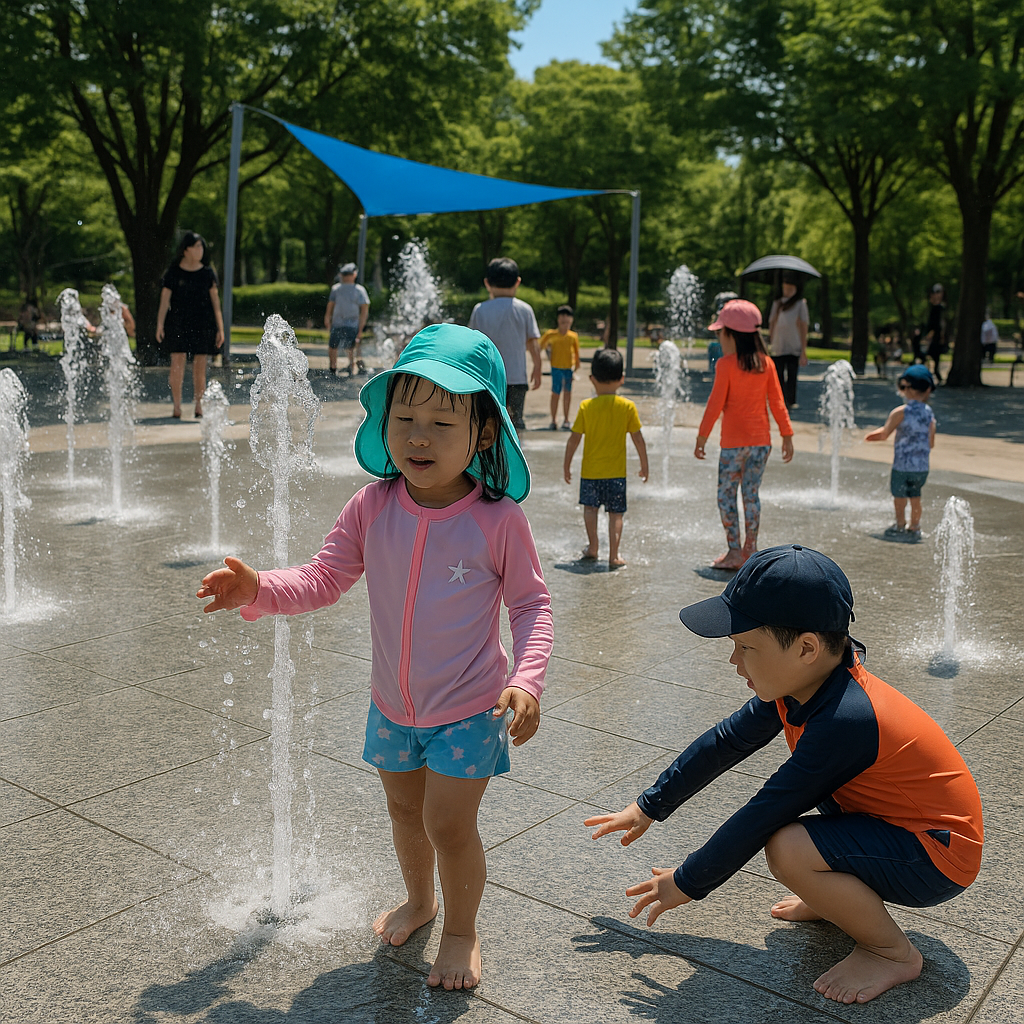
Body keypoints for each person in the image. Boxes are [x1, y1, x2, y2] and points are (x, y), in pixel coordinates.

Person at [197, 323, 552, 991]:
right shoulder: (372, 505)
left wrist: (527, 680)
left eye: (443, 423)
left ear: (481, 433)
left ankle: (461, 931)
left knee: (449, 823)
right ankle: (421, 902)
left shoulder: (498, 520)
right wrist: (260, 588)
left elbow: (534, 607)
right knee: (404, 812)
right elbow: (323, 577)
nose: (419, 436)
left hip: (471, 706)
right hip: (392, 703)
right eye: (406, 418)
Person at [586, 544, 983, 1006]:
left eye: (746, 646)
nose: (734, 661)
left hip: (937, 856)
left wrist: (688, 881)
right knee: (798, 838)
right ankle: (838, 899)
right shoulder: (805, 684)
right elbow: (725, 742)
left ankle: (891, 952)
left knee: (787, 847)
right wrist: (649, 804)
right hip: (893, 830)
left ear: (807, 648)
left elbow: (765, 811)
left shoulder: (847, 720)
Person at [694, 299, 794, 571]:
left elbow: (715, 404)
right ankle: (751, 550)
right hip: (761, 444)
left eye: (719, 332)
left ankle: (734, 552)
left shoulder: (726, 365)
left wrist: (702, 437)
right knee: (751, 495)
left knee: (726, 497)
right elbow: (777, 402)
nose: (718, 337)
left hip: (734, 446)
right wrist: (787, 434)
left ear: (731, 334)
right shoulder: (767, 364)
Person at [563, 348, 649, 568]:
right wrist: (644, 465)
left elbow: (573, 439)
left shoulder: (586, 406)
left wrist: (567, 465)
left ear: (592, 379)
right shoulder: (627, 407)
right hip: (616, 474)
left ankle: (593, 547)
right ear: (622, 379)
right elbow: (638, 439)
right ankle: (614, 555)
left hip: (590, 473)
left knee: (590, 510)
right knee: (616, 514)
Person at [156, 232, 225, 419]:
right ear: (186, 249)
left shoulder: (208, 273)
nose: (200, 250)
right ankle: (177, 406)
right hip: (177, 322)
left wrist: (221, 328)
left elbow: (216, 303)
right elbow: (164, 301)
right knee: (177, 363)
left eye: (202, 246)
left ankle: (199, 405)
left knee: (200, 366)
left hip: (203, 323)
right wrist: (160, 324)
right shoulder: (173, 273)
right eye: (196, 246)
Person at [864, 363, 936, 542]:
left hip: (902, 465)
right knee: (916, 497)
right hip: (921, 467)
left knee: (900, 497)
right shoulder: (929, 413)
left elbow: (884, 434)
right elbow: (931, 441)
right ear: (927, 390)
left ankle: (900, 523)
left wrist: (869, 436)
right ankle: (915, 526)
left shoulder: (900, 412)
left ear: (906, 388)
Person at [468, 257, 541, 430]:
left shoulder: (480, 310)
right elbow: (533, 343)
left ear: (487, 283)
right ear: (517, 282)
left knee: (486, 424)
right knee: (515, 424)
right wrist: (537, 367)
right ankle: (516, 454)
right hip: (516, 379)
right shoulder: (524, 309)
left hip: (487, 379)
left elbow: (472, 345)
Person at [768, 273, 809, 407]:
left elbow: (804, 326)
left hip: (794, 344)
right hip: (778, 344)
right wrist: (771, 339)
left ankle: (790, 400)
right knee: (777, 375)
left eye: (790, 289)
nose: (787, 292)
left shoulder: (800, 304)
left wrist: (803, 350)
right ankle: (779, 399)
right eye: (785, 288)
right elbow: (772, 322)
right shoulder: (778, 303)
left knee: (792, 375)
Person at [324, 262, 370, 377]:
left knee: (347, 346)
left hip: (349, 323)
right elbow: (331, 304)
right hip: (340, 323)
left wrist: (361, 326)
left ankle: (349, 365)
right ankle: (335, 367)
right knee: (337, 346)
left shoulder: (358, 290)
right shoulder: (337, 289)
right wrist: (327, 317)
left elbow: (364, 309)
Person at [540, 304, 581, 430]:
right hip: (556, 368)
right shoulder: (551, 334)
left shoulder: (573, 336)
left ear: (571, 320)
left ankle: (567, 419)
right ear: (558, 319)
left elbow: (576, 352)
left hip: (568, 369)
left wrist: (577, 366)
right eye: (562, 316)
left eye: (567, 316)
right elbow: (540, 346)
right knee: (555, 394)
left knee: (567, 394)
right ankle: (553, 420)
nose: (564, 319)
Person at [923, 283, 946, 383]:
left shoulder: (940, 309)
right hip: (932, 336)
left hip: (935, 336)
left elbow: (939, 324)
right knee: (926, 356)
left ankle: (935, 374)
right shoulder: (933, 308)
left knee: (934, 356)